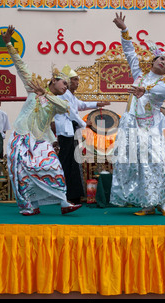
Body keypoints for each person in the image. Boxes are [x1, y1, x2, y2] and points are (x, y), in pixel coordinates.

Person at [2, 25, 82, 216]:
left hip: (40, 140)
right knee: (22, 171)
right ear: (53, 80)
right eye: (64, 83)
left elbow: (66, 109)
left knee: (52, 167)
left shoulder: (57, 102)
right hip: (21, 137)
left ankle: (63, 202)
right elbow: (21, 66)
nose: (66, 87)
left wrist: (45, 95)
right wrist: (8, 43)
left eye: (68, 85)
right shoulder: (33, 87)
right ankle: (30, 204)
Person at [110, 12, 165, 216]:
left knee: (157, 161)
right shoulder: (139, 75)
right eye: (161, 58)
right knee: (138, 165)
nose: (163, 61)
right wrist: (124, 30)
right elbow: (130, 53)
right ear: (154, 61)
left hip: (151, 128)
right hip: (132, 125)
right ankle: (147, 203)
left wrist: (145, 91)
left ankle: (162, 202)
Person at [54, 66, 110, 204]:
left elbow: (82, 105)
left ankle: (72, 195)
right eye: (74, 80)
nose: (77, 83)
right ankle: (65, 195)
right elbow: (71, 112)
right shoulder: (64, 95)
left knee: (72, 163)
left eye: (77, 80)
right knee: (67, 164)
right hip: (66, 132)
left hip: (71, 131)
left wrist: (98, 104)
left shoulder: (70, 96)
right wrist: (85, 124)